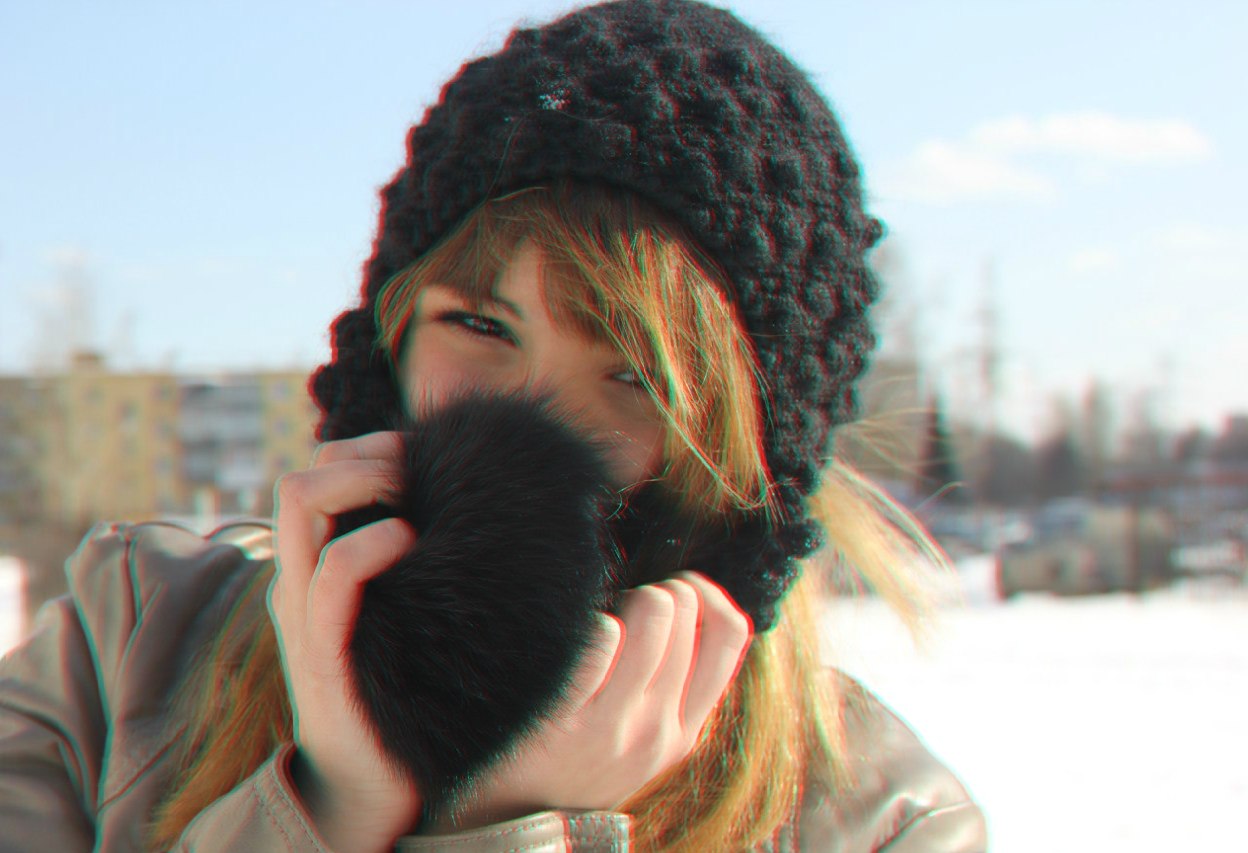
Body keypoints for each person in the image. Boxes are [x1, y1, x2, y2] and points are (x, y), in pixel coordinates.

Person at [0, 1, 987, 850]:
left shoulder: (878, 821)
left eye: (635, 376)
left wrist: (503, 821)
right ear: (388, 346)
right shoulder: (129, 644)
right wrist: (334, 803)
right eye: (479, 325)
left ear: (742, 462)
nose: (526, 414)